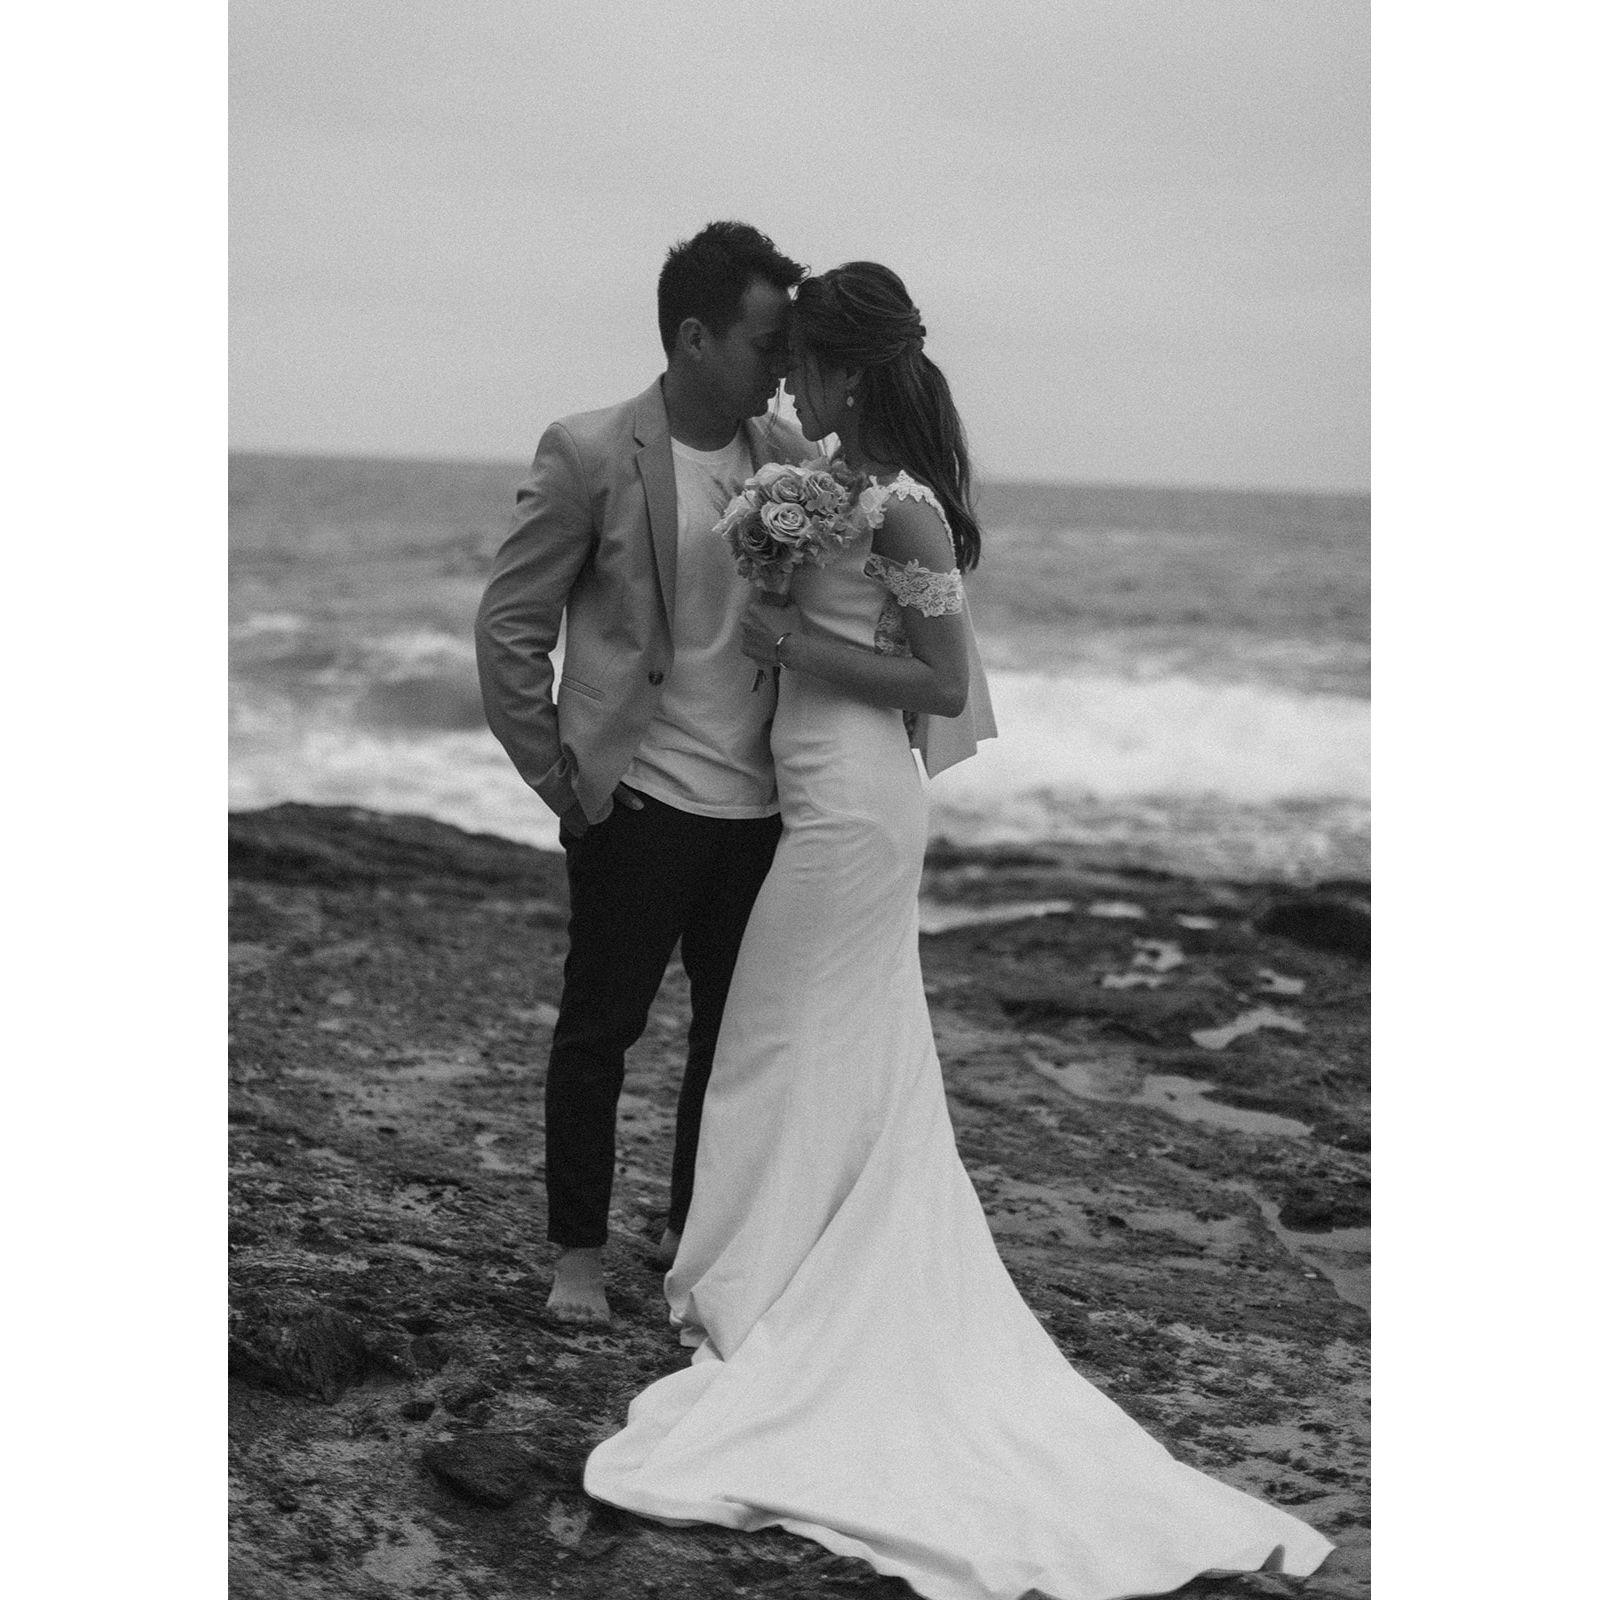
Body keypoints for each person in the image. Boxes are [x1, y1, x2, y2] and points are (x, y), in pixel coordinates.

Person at [583, 263, 1334, 1599]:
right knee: (802, 1042)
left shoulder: (906, 510)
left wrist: (789, 647)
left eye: (805, 366)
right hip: (816, 795)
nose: (790, 386)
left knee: (771, 1035)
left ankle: (768, 1287)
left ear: (849, 373)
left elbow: (937, 683)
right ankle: (772, 1270)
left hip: (857, 809)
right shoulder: (839, 489)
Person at [475, 221, 809, 1326]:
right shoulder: (587, 451)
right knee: (599, 1033)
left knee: (733, 1040)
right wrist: (563, 780)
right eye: (765, 343)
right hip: (641, 798)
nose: (781, 365)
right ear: (694, 336)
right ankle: (576, 1255)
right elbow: (510, 627)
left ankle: (687, 1235)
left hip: (760, 805)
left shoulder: (790, 460)